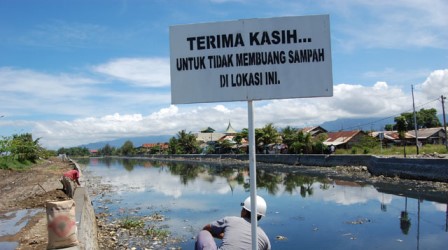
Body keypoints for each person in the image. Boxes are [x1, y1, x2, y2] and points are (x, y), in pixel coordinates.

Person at [195, 195, 271, 250]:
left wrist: (221, 235)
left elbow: (207, 229)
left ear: (244, 212)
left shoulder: (230, 220)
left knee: (204, 233)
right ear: (260, 217)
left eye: (242, 209)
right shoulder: (265, 239)